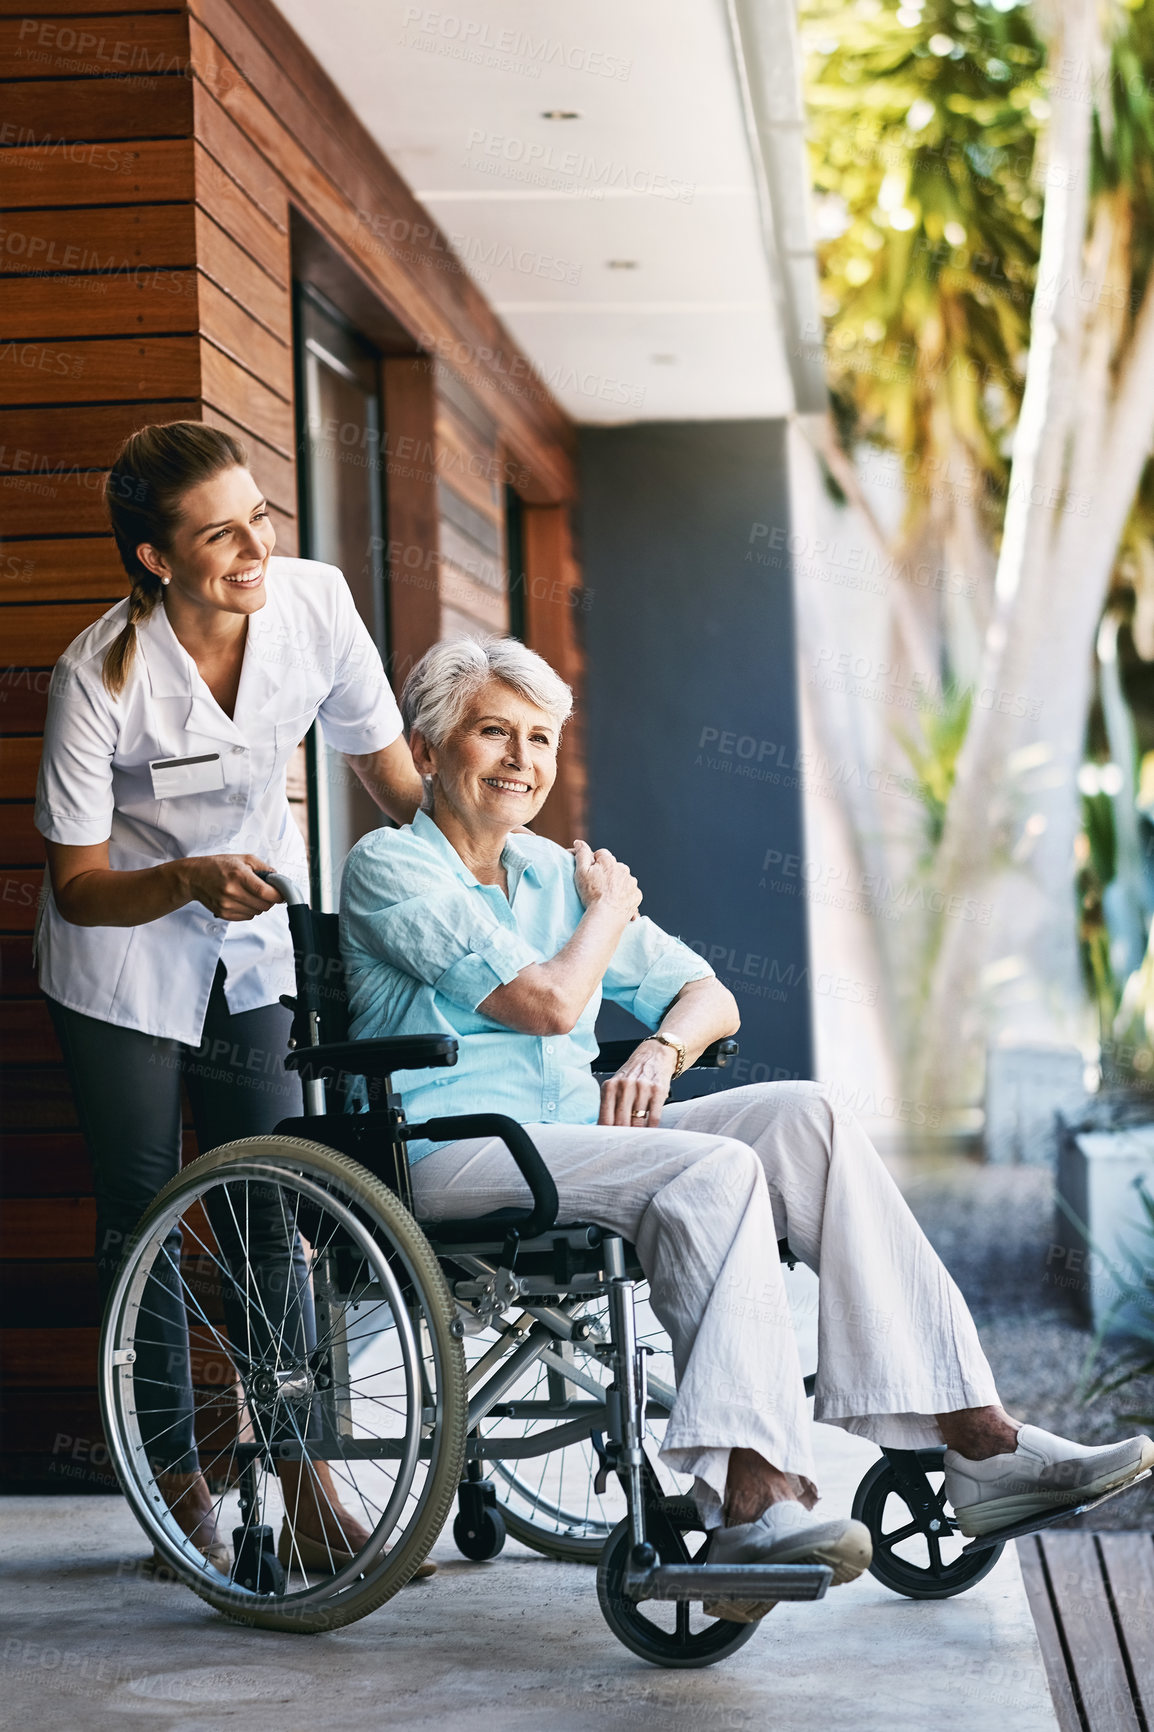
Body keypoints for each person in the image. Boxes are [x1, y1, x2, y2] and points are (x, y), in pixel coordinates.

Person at [340, 634, 1154, 1622]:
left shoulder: (558, 874)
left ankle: (975, 1438)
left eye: (540, 737)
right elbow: (551, 1003)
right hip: (453, 1150)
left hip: (570, 1139)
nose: (521, 759)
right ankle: (748, 1499)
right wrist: (612, 912)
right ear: (427, 752)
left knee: (802, 1115)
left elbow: (706, 994)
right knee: (712, 1170)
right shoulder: (392, 868)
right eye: (492, 733)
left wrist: (656, 1052)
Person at [34, 421, 427, 1578]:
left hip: (253, 949)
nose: (254, 546)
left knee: (272, 1201)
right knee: (145, 1216)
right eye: (220, 534)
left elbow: (392, 778)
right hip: (122, 958)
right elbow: (78, 884)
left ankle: (305, 1487)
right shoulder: (95, 676)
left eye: (260, 517)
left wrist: (491, 876)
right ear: (156, 559)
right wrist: (186, 878)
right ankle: (177, 1493)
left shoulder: (314, 604)